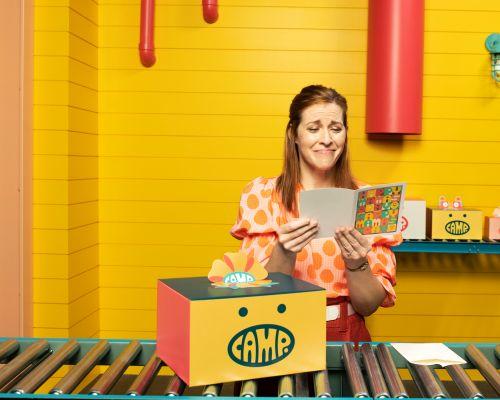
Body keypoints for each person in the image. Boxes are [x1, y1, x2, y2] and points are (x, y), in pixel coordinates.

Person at [230, 85, 402, 342]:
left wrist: (357, 264)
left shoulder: (370, 200)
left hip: (345, 331)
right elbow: (254, 296)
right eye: (313, 128)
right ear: (294, 134)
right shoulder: (261, 195)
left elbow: (368, 306)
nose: (326, 139)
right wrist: (284, 253)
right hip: (275, 330)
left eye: (335, 128)